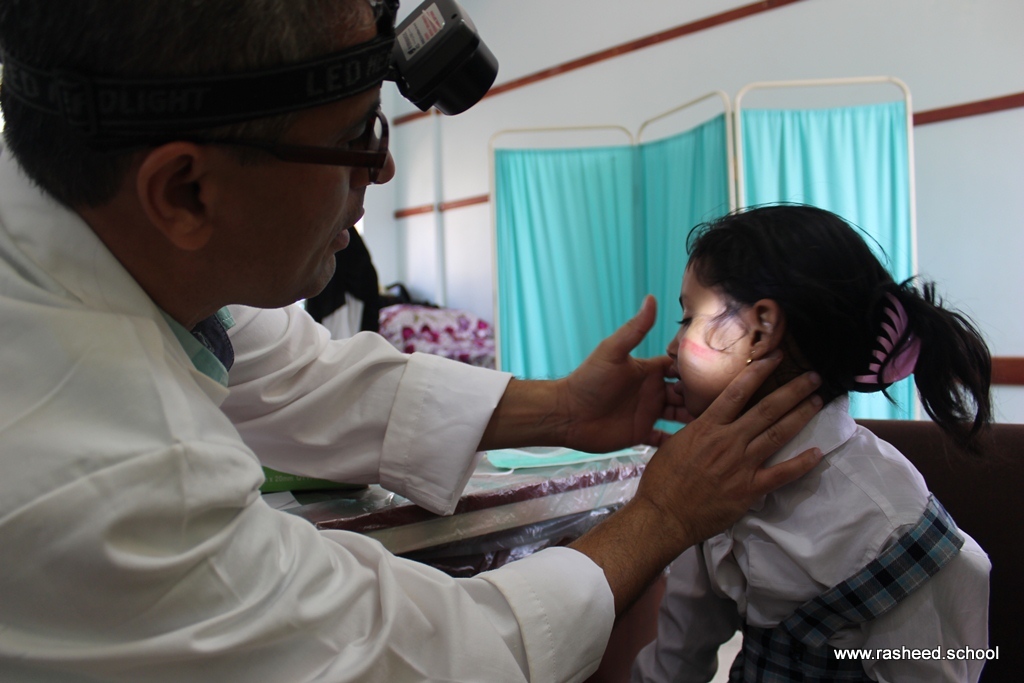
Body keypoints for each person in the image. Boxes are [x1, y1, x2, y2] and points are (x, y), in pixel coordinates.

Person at [0, 2, 826, 682]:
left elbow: (295, 374)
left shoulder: (83, 212)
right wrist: (661, 517)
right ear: (185, 190)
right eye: (358, 135)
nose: (382, 172)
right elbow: (416, 657)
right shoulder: (103, 468)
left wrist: (564, 409)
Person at [632, 204, 993, 683]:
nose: (671, 347)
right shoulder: (709, 480)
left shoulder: (892, 529)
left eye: (688, 318)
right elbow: (677, 654)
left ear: (759, 329)